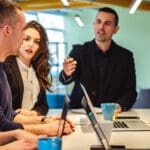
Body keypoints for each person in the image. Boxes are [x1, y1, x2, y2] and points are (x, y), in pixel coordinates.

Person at [0, 0, 74, 135]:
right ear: (7, 30)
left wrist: (44, 120)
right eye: (24, 34)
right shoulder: (6, 67)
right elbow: (4, 123)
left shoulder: (3, 69)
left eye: (36, 42)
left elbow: (9, 115)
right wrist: (45, 127)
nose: (26, 41)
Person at [59, 7, 137, 112]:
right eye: (98, 22)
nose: (101, 27)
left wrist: (120, 105)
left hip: (111, 116)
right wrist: (66, 73)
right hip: (81, 113)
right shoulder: (79, 51)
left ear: (115, 29)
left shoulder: (126, 57)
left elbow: (131, 92)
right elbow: (65, 80)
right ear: (94, 24)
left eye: (107, 23)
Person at [4, 20, 51, 116]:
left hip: (30, 122)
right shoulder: (6, 66)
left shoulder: (38, 69)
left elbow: (43, 105)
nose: (31, 44)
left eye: (37, 42)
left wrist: (33, 113)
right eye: (26, 39)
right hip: (10, 126)